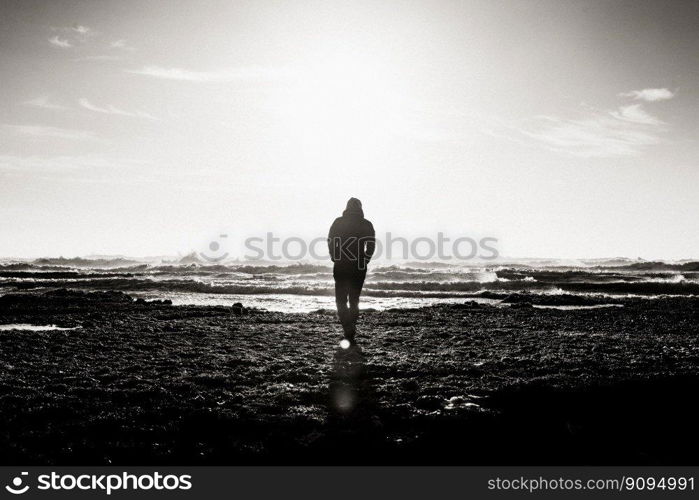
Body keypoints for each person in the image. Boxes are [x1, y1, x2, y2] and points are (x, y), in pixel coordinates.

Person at [327, 198, 375, 343]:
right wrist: (365, 260)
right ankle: (351, 327)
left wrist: (334, 256)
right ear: (360, 208)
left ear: (347, 207)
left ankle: (348, 328)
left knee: (340, 300)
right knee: (354, 300)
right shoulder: (366, 224)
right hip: (359, 267)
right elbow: (371, 246)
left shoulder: (338, 222)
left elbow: (331, 241)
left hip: (341, 264)